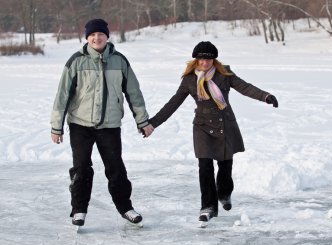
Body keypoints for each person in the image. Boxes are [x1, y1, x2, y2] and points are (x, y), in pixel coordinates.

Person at [148, 41, 278, 223]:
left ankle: (224, 193)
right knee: (205, 166)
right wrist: (153, 123)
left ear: (214, 59)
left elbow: (245, 87)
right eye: (201, 59)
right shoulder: (189, 79)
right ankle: (208, 206)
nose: (205, 63)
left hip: (225, 123)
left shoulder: (224, 73)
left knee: (225, 166)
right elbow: (173, 103)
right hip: (202, 126)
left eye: (208, 59)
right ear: (196, 59)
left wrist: (265, 96)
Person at [50, 18, 154, 227]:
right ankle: (79, 210)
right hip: (80, 124)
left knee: (116, 167)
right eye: (92, 35)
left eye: (101, 34)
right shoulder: (75, 61)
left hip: (110, 125)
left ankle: (125, 207)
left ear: (107, 36)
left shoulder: (120, 61)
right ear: (87, 38)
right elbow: (62, 96)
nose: (97, 38)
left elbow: (134, 93)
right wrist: (56, 126)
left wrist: (142, 121)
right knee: (81, 168)